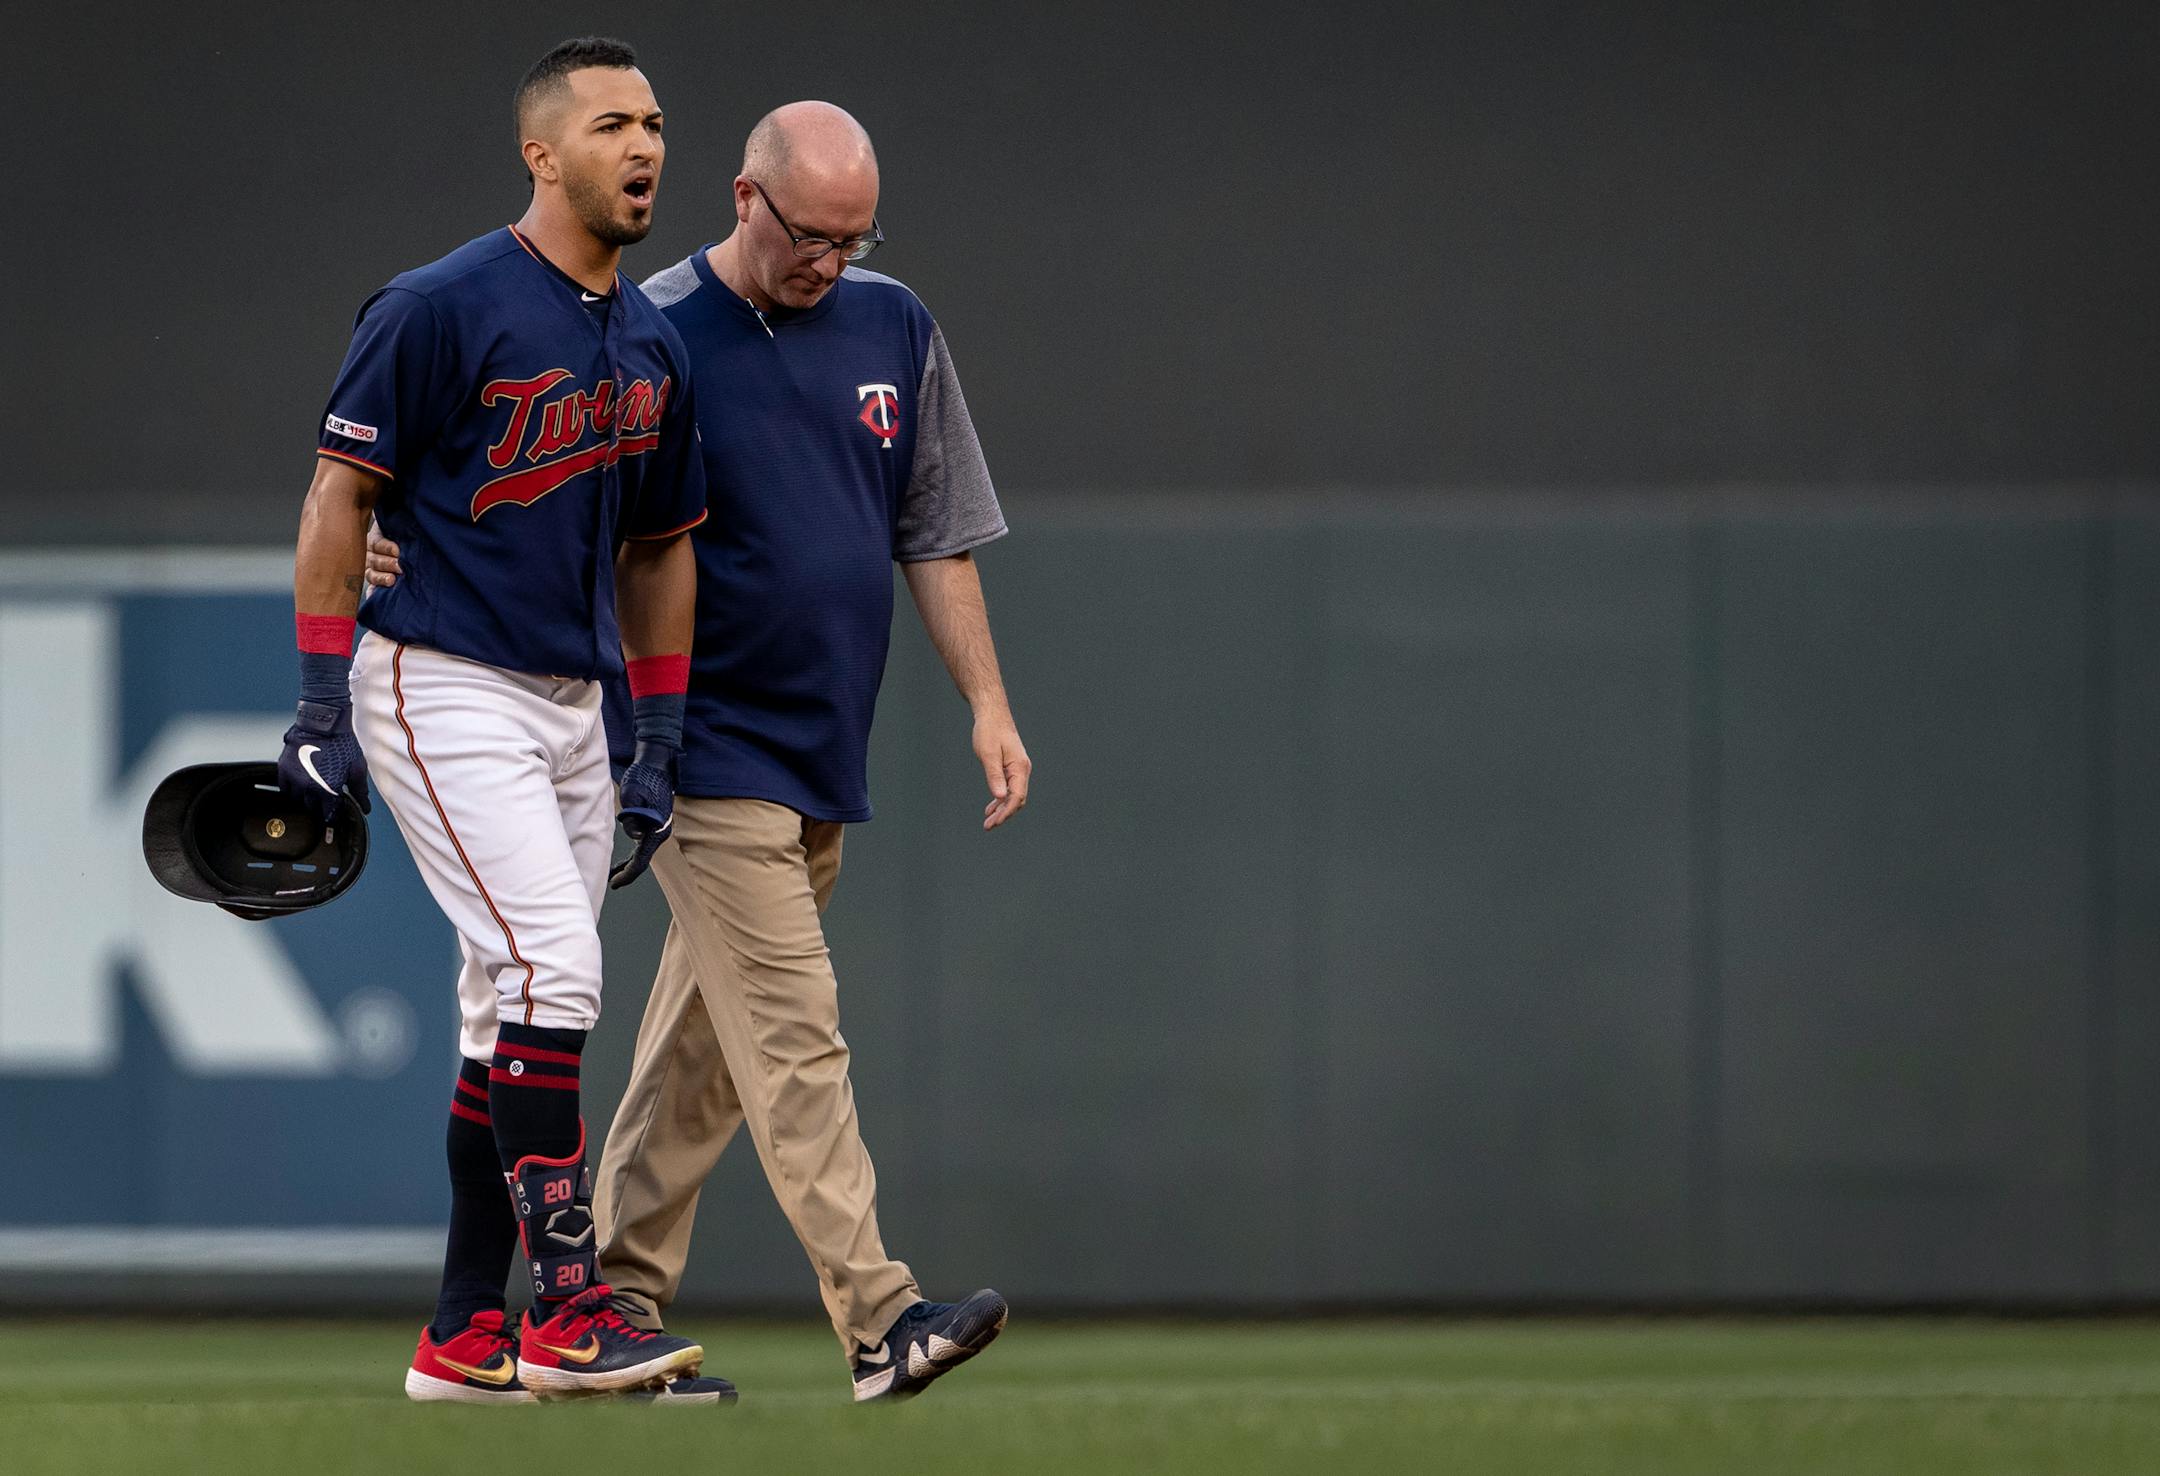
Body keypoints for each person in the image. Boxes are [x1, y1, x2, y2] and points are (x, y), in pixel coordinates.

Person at [369, 100, 1029, 1402]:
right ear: (744, 196)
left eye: (853, 237)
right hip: (704, 750)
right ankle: (881, 1318)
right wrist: (396, 539)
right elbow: (539, 500)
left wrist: (988, 704)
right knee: (795, 1033)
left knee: (701, 1057)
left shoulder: (895, 325)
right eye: (808, 233)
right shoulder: (649, 329)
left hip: (823, 752)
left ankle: (606, 1311)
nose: (827, 261)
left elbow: (936, 531)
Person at [285, 36, 729, 1405]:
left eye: (653, 122)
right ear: (542, 154)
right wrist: (318, 701)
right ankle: (572, 1312)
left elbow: (661, 552)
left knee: (506, 1012)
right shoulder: (440, 305)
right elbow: (337, 501)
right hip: (441, 674)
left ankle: (466, 1335)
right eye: (610, 125)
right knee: (553, 968)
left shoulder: (650, 339)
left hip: (575, 702)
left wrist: (655, 738)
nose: (644, 146)